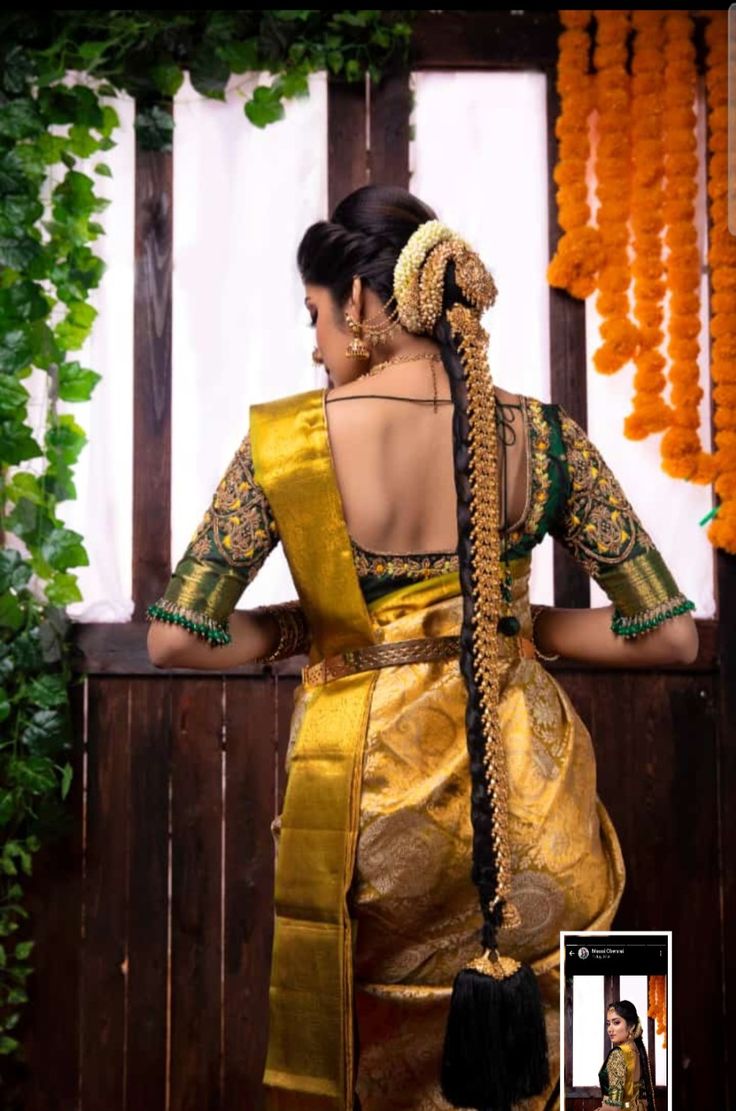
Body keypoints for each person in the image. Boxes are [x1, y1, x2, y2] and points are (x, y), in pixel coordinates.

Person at [146, 184, 698, 1111]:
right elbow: (670, 636)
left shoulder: (286, 444)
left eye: (315, 315)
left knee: (375, 1061)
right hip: (535, 801)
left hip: (368, 811)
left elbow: (176, 639)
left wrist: (303, 628)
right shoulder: (543, 434)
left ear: (360, 302)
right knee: (601, 1055)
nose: (314, 342)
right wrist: (522, 625)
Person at [594, 1000, 656, 1111]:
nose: (610, 1029)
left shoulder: (618, 1054)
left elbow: (614, 1106)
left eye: (616, 1022)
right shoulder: (637, 1050)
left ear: (631, 1026)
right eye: (608, 1023)